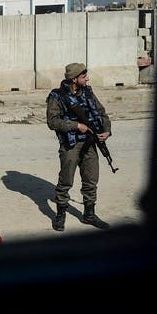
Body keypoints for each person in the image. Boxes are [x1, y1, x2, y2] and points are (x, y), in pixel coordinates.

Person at [46, 63, 112, 232]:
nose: (87, 79)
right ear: (74, 79)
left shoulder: (88, 92)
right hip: (71, 144)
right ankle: (60, 214)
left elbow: (101, 112)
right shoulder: (57, 96)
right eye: (83, 76)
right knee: (66, 180)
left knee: (91, 179)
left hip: (90, 142)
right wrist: (76, 126)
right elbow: (52, 122)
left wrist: (106, 131)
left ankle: (89, 214)